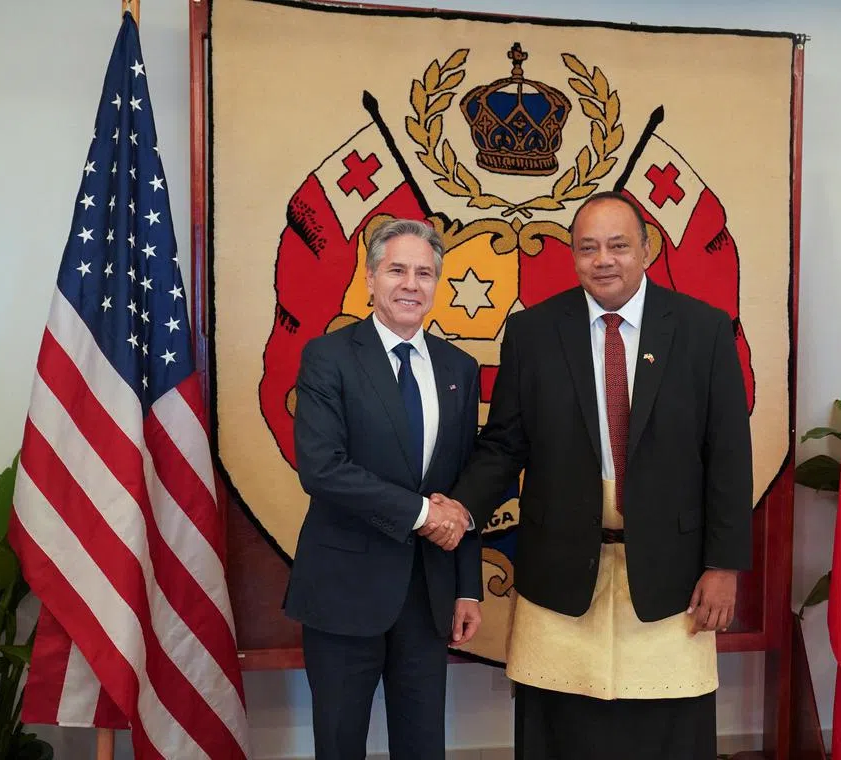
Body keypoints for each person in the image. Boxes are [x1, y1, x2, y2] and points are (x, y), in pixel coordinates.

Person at [429, 192, 753, 759]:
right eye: (588, 248)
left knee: (667, 735)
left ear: (647, 249)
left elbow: (727, 455)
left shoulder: (704, 331)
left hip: (669, 576)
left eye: (618, 246)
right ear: (574, 257)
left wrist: (723, 566)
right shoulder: (533, 333)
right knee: (561, 733)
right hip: (560, 573)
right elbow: (505, 444)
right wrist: (458, 508)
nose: (603, 260)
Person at [283, 218, 483, 760]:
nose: (410, 285)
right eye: (397, 270)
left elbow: (462, 486)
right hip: (344, 591)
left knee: (423, 747)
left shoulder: (459, 369)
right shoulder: (328, 357)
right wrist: (421, 514)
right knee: (340, 744)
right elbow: (322, 468)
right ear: (370, 278)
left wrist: (467, 586)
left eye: (424, 273)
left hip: (428, 595)